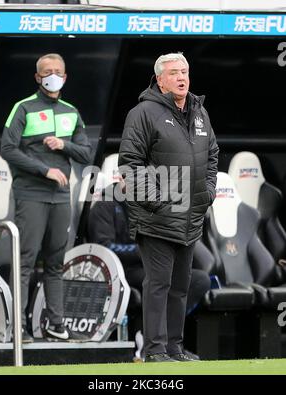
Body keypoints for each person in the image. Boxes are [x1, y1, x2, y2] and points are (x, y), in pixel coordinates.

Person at [118, 53, 219, 362]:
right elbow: (130, 165)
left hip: (191, 217)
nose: (181, 77)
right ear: (160, 79)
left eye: (185, 71)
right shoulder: (143, 113)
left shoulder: (199, 112)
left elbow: (212, 153)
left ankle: (174, 348)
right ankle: (154, 351)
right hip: (156, 218)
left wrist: (208, 192)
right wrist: (159, 202)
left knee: (180, 287)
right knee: (158, 285)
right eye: (174, 72)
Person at [0, 53, 92, 343]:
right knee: (25, 262)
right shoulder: (23, 108)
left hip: (60, 197)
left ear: (65, 77)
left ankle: (55, 324)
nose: (53, 75)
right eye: (47, 71)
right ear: (38, 77)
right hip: (30, 193)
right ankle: (18, 328)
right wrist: (45, 169)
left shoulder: (71, 111)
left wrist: (63, 144)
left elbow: (85, 153)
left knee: (55, 263)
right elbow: (8, 149)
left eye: (58, 71)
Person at [87, 179, 211, 360]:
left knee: (199, 279)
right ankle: (153, 342)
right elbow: (104, 248)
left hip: (153, 264)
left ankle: (165, 342)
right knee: (159, 281)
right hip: (121, 271)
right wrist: (143, 249)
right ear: (121, 177)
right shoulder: (104, 205)